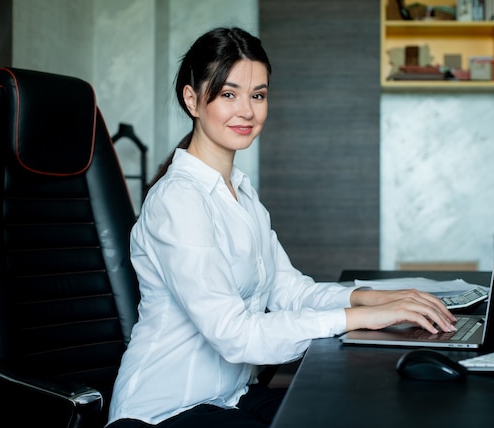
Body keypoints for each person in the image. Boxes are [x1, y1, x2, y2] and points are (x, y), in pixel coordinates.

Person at [107, 27, 457, 428]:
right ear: (192, 100)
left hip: (230, 397)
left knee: (356, 413)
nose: (247, 111)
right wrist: (354, 319)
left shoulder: (241, 193)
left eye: (258, 95)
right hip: (165, 410)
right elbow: (234, 334)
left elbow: (290, 291)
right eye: (228, 94)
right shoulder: (177, 201)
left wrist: (375, 299)